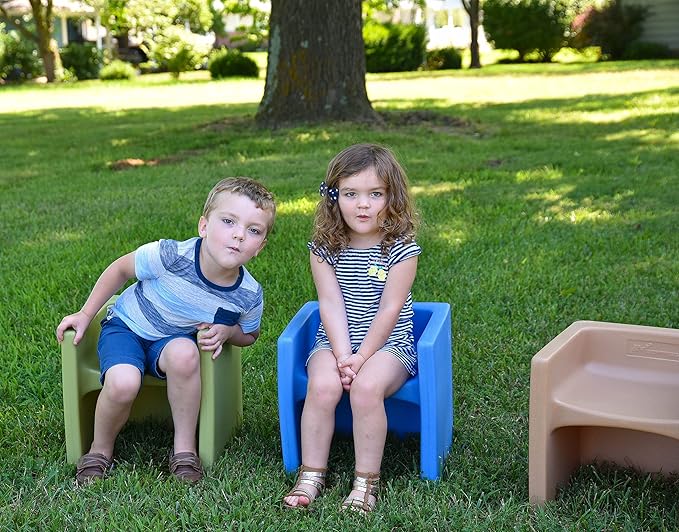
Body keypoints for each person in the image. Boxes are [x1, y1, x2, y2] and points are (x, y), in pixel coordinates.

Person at [56, 177, 276, 485]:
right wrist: (85, 313)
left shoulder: (248, 293)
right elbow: (120, 269)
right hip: (127, 329)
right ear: (204, 226)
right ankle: (100, 449)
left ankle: (184, 448)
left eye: (253, 230)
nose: (239, 235)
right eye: (228, 221)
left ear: (260, 247)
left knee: (186, 354)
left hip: (171, 341)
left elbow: (250, 336)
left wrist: (228, 333)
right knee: (123, 382)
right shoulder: (171, 255)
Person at [283, 143, 420, 513]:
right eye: (350, 194)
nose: (363, 205)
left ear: (392, 197)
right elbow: (329, 303)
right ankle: (311, 474)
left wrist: (361, 358)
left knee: (366, 388)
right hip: (335, 340)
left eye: (375, 194)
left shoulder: (401, 248)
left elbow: (390, 309)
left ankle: (365, 482)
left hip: (389, 345)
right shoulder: (325, 247)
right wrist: (343, 355)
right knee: (323, 384)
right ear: (334, 197)